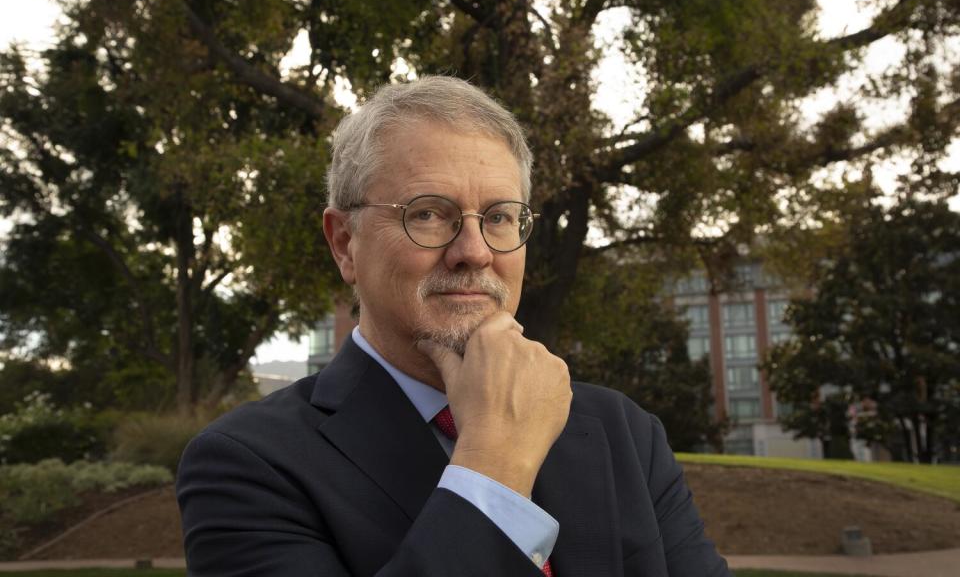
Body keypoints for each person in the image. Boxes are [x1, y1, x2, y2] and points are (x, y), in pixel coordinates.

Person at [176, 76, 731, 576]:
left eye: (498, 217)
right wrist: (494, 462)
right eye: (428, 213)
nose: (474, 252)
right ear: (345, 243)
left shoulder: (624, 433)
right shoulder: (247, 465)